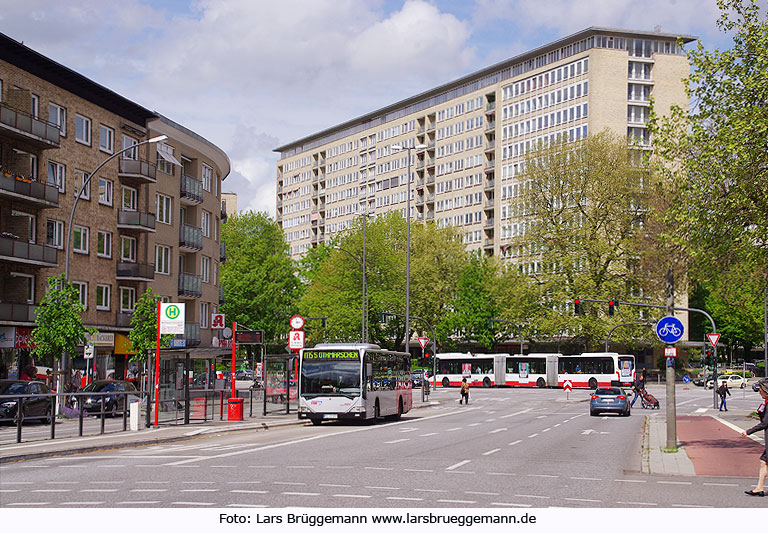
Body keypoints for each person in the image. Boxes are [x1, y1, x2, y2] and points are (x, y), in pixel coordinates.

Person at [741, 379, 768, 497]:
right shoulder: (765, 403)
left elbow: (765, 423)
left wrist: (748, 431)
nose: (759, 392)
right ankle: (759, 488)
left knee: (764, 462)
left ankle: (759, 488)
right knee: (764, 462)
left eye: (760, 390)